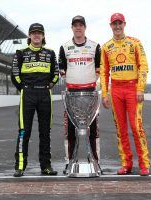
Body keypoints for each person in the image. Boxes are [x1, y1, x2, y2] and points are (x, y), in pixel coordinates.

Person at [100, 13, 150, 176]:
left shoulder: (135, 43)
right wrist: (105, 94)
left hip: (132, 88)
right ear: (110, 26)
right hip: (115, 90)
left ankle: (144, 164)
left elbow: (143, 65)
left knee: (136, 126)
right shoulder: (106, 47)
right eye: (114, 23)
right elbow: (104, 72)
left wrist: (140, 88)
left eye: (119, 23)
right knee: (120, 129)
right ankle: (126, 163)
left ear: (124, 24)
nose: (117, 26)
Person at [11, 22, 59, 177]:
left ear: (43, 36)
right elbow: (15, 74)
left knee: (45, 132)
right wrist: (24, 89)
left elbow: (56, 74)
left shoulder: (51, 53)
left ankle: (46, 166)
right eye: (33, 33)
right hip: (28, 95)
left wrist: (50, 84)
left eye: (39, 32)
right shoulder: (20, 52)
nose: (36, 35)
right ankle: (20, 166)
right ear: (29, 36)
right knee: (24, 131)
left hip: (45, 94)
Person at [58, 15, 101, 174]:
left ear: (85, 27)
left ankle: (96, 162)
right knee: (69, 131)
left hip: (90, 93)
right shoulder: (64, 47)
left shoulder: (95, 46)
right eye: (75, 25)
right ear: (72, 28)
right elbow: (62, 70)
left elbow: (99, 69)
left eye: (80, 25)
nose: (78, 28)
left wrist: (87, 82)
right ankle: (69, 163)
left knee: (93, 130)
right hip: (72, 94)